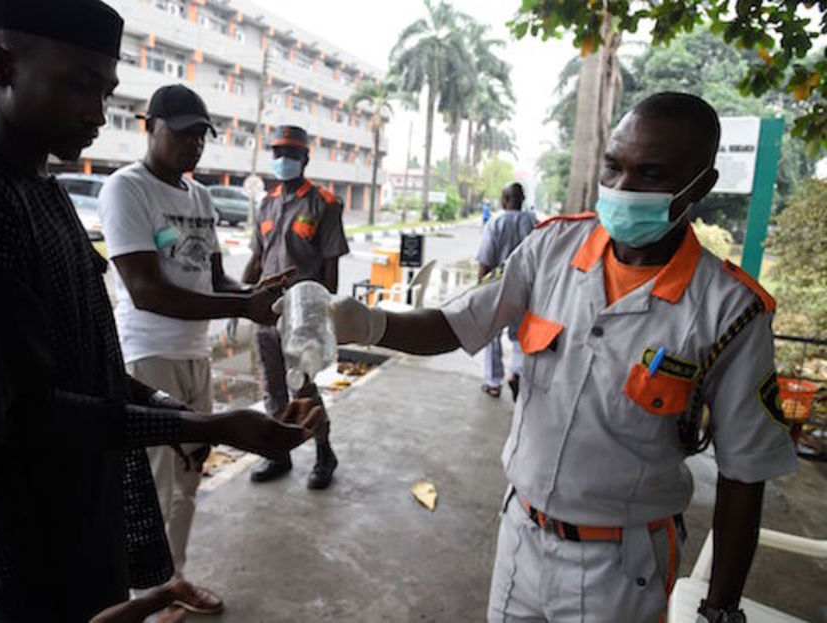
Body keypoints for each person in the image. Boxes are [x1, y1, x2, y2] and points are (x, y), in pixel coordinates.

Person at [0, 1, 322, 620]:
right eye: (79, 84)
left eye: (105, 91)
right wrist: (208, 427)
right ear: (2, 65)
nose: (98, 113)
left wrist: (190, 416)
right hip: (35, 544)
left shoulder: (39, 189)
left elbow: (88, 362)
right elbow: (29, 413)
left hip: (82, 513)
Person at [322, 92, 798, 622]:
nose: (622, 187)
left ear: (700, 186)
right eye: (613, 166)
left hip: (621, 568)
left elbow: (744, 472)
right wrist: (369, 324)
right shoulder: (551, 248)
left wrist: (720, 609)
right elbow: (457, 323)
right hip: (520, 535)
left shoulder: (729, 311)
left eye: (650, 173)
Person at [98, 84, 292, 621]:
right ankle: (142, 599)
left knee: (188, 477)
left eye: (201, 135)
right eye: (182, 132)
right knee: (154, 488)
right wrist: (243, 306)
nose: (193, 143)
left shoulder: (200, 197)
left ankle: (172, 582)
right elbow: (146, 290)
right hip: (148, 358)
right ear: (150, 126)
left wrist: (254, 294)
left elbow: (212, 279)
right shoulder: (126, 189)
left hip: (195, 355)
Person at [243, 125, 350, 490]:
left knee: (303, 388)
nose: (283, 160)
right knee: (272, 388)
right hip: (265, 313)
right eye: (277, 153)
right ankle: (279, 453)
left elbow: (331, 274)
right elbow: (257, 260)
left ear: (305, 158)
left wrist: (318, 316)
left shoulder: (324, 204)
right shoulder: (266, 203)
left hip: (301, 317)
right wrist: (239, 300)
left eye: (291, 154)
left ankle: (324, 452)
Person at [476, 182, 537, 400]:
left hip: (498, 289)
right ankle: (516, 373)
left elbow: (485, 260)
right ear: (522, 200)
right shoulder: (534, 223)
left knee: (492, 335)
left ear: (504, 200)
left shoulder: (496, 223)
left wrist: (480, 290)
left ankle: (493, 383)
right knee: (522, 335)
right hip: (527, 289)